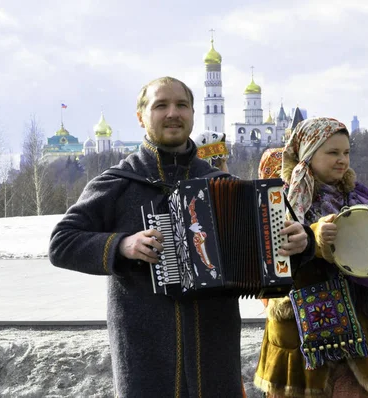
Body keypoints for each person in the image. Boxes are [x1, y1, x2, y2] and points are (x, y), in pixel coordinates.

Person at [48, 76, 313, 397]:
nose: (173, 112)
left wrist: (301, 244)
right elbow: (62, 242)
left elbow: (276, 261)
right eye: (161, 105)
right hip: (146, 354)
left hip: (214, 354)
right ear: (141, 117)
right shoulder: (117, 184)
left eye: (181, 105)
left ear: (192, 113)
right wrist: (122, 245)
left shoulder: (223, 183)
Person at [254, 117, 368, 397]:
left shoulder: (361, 197)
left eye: (346, 152)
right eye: (332, 152)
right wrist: (315, 239)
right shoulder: (282, 199)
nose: (342, 160)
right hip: (302, 339)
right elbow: (271, 267)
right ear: (308, 153)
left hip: (360, 336)